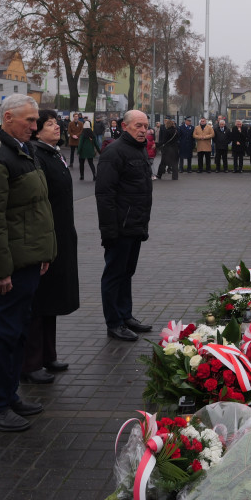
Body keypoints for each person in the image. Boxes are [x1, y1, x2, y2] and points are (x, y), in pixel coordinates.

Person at [0, 94, 56, 432]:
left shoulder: (24, 150)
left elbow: (34, 209)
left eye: (37, 121)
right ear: (7, 118)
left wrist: (43, 255)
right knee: (3, 334)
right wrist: (0, 270)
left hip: (28, 260)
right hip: (11, 265)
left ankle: (9, 396)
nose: (34, 127)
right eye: (29, 121)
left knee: (18, 332)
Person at [22, 110, 80, 385]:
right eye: (50, 124)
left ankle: (48, 354)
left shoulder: (53, 153)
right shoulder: (36, 155)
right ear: (36, 130)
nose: (57, 127)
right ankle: (31, 362)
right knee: (39, 300)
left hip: (61, 233)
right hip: (45, 236)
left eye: (58, 123)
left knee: (52, 297)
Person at [96, 110, 154, 342]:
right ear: (124, 126)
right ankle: (114, 322)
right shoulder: (114, 152)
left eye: (146, 126)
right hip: (119, 227)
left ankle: (125, 315)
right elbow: (105, 194)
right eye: (138, 126)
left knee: (126, 273)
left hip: (135, 224)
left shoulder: (138, 149)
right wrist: (109, 230)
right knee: (114, 274)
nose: (143, 130)